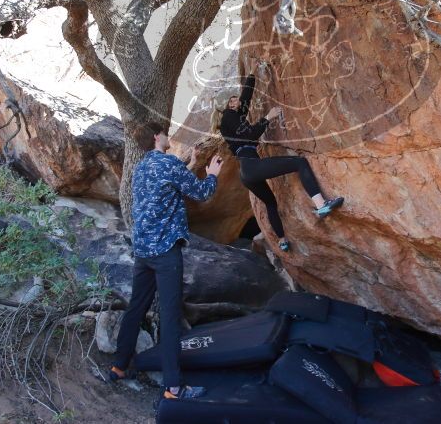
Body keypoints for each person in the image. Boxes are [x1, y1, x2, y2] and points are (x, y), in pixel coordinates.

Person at [109, 121, 223, 400]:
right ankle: (173, 387)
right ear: (156, 136)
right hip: (165, 252)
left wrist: (193, 162)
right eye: (165, 133)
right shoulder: (168, 163)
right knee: (171, 316)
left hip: (144, 251)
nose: (168, 136)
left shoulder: (143, 168)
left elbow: (167, 187)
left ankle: (118, 366)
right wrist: (212, 174)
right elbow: (201, 193)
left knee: (136, 307)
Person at [211, 62, 344, 252]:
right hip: (251, 166)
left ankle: (282, 241)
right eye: (234, 98)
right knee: (299, 162)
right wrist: (268, 117)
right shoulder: (228, 118)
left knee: (271, 203)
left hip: (247, 172)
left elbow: (246, 97)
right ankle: (321, 205)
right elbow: (250, 134)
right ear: (229, 103)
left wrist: (252, 72)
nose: (238, 99)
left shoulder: (233, 117)